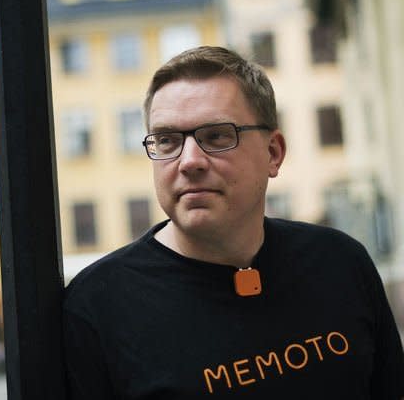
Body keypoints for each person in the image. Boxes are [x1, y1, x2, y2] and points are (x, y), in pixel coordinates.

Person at [62, 46, 404, 399]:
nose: (189, 161)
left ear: (273, 153)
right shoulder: (98, 307)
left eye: (217, 136)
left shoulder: (340, 263)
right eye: (167, 140)